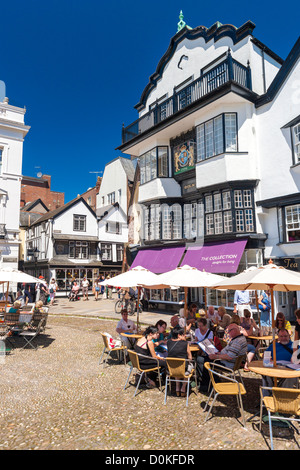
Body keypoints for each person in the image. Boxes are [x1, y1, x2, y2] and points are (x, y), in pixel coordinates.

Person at [197, 322, 248, 392]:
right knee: (204, 358)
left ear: (234, 331)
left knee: (202, 360)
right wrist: (219, 353)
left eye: (229, 331)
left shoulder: (237, 342)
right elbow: (230, 353)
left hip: (228, 364)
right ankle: (212, 380)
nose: (228, 334)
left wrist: (216, 356)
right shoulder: (240, 338)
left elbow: (229, 357)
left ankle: (209, 384)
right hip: (230, 362)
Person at [261, 329, 299, 396]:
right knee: (265, 374)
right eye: (281, 336)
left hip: (289, 368)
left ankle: (283, 396)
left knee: (291, 377)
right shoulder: (274, 345)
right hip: (275, 366)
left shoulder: (295, 346)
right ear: (278, 337)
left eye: (285, 336)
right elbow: (265, 355)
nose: (283, 338)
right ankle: (268, 395)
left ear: (289, 336)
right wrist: (268, 358)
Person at [167, 325, 193, 397]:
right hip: (183, 370)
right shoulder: (185, 343)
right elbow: (190, 357)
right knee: (187, 365)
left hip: (171, 369)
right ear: (179, 335)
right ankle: (183, 388)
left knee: (176, 363)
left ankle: (177, 387)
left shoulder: (168, 342)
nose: (185, 335)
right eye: (183, 334)